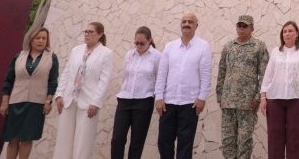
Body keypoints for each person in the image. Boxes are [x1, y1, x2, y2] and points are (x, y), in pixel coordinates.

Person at [155, 12, 213, 159]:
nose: (186, 24)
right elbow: (162, 74)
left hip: (190, 103)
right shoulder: (170, 47)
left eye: (190, 22)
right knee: (164, 142)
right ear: (181, 25)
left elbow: (206, 75)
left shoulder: (203, 46)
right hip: (168, 103)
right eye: (184, 21)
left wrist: (202, 98)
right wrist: (159, 97)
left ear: (196, 26)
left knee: (185, 145)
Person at [53, 21, 115, 159]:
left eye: (90, 32)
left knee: (83, 142)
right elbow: (67, 73)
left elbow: (104, 81)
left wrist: (96, 102)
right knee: (63, 139)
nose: (87, 34)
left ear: (100, 34)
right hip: (69, 99)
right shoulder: (76, 50)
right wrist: (59, 94)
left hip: (89, 103)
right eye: (85, 31)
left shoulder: (106, 53)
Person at [0, 27, 59, 159]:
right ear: (31, 40)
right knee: (13, 138)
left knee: (27, 138)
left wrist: (48, 101)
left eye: (44, 38)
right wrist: (5, 102)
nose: (41, 41)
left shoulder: (52, 58)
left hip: (36, 104)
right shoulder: (18, 57)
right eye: (38, 38)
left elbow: (53, 82)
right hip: (16, 102)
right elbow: (8, 80)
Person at [217, 15, 269, 159]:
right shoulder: (228, 47)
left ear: (252, 28)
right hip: (228, 102)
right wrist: (220, 96)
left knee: (244, 142)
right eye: (239, 26)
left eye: (245, 26)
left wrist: (258, 96)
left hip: (247, 104)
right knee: (227, 141)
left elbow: (264, 74)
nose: (241, 28)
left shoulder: (259, 46)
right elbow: (222, 71)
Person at [259, 21, 299, 159]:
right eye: (284, 31)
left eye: (290, 31)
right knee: (275, 138)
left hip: (297, 100)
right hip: (274, 100)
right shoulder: (276, 52)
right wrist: (263, 97)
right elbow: (268, 76)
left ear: (297, 34)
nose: (287, 34)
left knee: (295, 138)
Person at [111, 27, 161, 159]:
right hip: (124, 99)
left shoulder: (157, 56)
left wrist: (158, 99)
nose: (138, 46)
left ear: (149, 40)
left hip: (144, 101)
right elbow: (124, 76)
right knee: (117, 139)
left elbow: (159, 79)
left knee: (137, 142)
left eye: (142, 43)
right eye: (136, 43)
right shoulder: (129, 54)